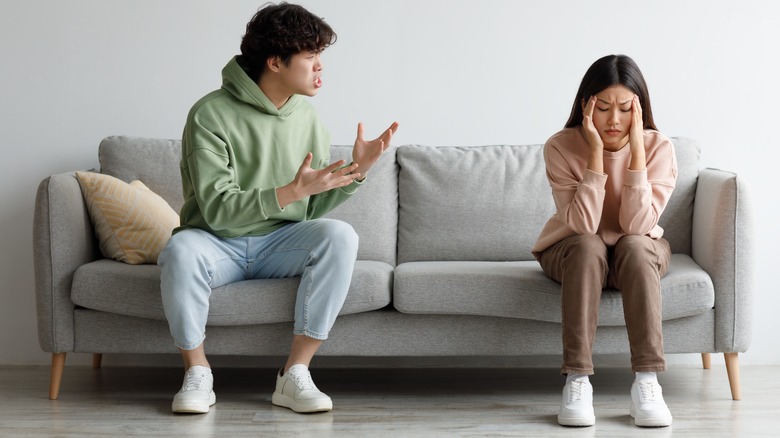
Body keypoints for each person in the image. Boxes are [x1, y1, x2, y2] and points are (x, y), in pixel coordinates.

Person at [158, 2, 398, 415]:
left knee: (340, 235)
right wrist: (287, 192)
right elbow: (216, 209)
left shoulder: (307, 117)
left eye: (320, 57)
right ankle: (197, 372)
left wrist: (357, 172)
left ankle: (295, 374)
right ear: (275, 62)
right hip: (216, 242)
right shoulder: (209, 114)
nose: (321, 68)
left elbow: (310, 206)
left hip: (278, 243)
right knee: (179, 251)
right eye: (311, 57)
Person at [531, 54, 677, 428]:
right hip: (573, 250)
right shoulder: (560, 146)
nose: (614, 120)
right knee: (588, 245)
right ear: (586, 106)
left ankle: (647, 381)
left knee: (634, 244)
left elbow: (637, 223)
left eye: (626, 109)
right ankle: (577, 380)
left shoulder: (659, 148)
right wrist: (596, 154)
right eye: (605, 107)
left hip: (638, 251)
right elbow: (581, 224)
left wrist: (637, 154)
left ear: (639, 110)